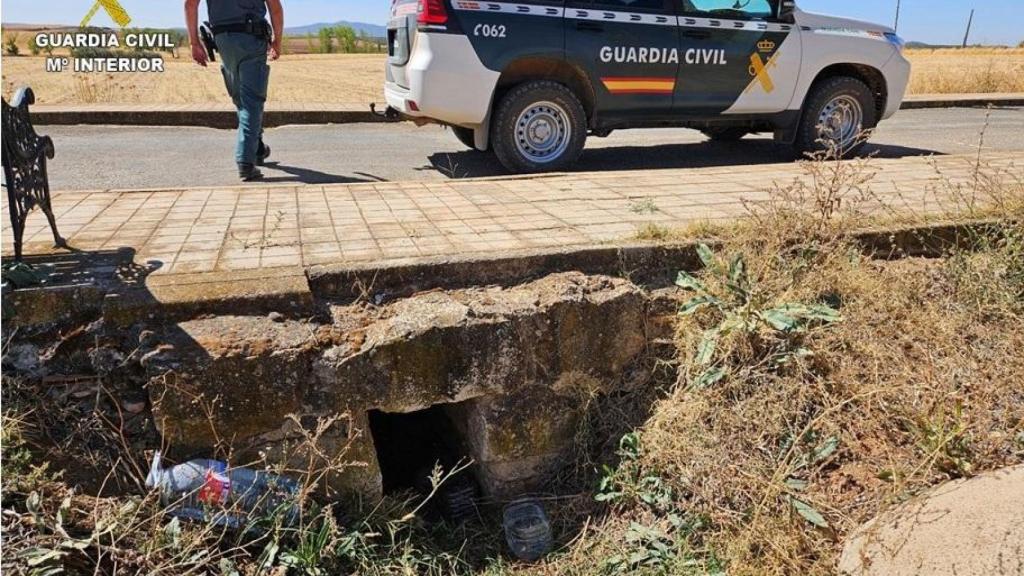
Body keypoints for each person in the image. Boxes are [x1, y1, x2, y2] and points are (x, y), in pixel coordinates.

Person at [185, 0, 284, 181]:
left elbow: (190, 4)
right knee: (251, 101)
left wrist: (194, 42)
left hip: (223, 40)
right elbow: (275, 8)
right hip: (251, 38)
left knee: (241, 97)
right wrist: (278, 41)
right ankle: (245, 162)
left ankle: (257, 147)